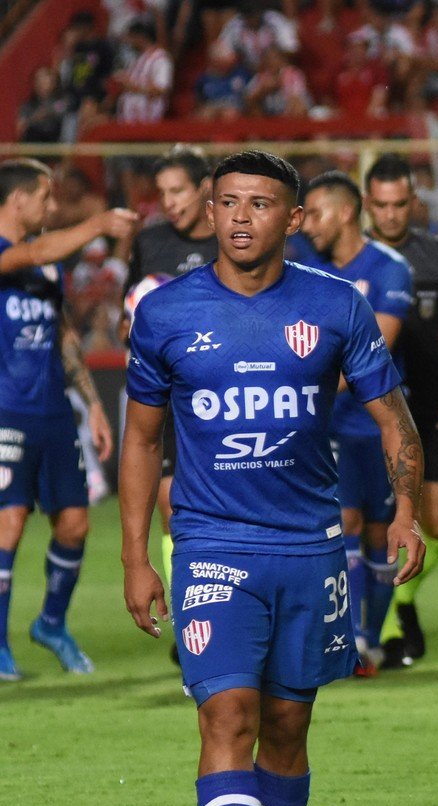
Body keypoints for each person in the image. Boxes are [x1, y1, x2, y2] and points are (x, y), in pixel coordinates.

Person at [120, 149, 424, 806]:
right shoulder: (164, 312)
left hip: (311, 547)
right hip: (213, 544)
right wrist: (136, 557)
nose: (241, 217)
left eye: (260, 204)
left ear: (294, 220)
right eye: (228, 203)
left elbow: (393, 418)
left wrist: (406, 514)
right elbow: (142, 439)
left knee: (287, 727)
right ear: (211, 212)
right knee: (228, 714)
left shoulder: (334, 306)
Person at [0, 160, 139, 681]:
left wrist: (94, 406)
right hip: (5, 410)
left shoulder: (48, 265)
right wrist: (99, 225)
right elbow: (33, 251)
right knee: (8, 523)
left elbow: (62, 337)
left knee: (76, 524)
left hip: (54, 414)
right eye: (44, 198)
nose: (50, 208)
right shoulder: (20, 252)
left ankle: (52, 623)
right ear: (17, 201)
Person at [362, 155, 438, 668]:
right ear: (367, 205)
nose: (390, 215)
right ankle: (386, 627)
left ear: (414, 202)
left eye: (398, 204)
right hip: (371, 414)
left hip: (431, 405)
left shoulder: (436, 255)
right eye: (381, 205)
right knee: (378, 521)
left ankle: (401, 602)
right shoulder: (349, 261)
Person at [300, 170, 415, 674]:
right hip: (330, 430)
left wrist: (307, 389)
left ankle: (370, 636)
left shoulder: (389, 269)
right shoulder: (302, 267)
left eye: (317, 214)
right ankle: (346, 639)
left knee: (379, 534)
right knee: (342, 523)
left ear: (346, 212)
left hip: (378, 425)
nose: (308, 226)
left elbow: (377, 349)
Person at [122, 145, 220, 664]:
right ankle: (190, 627)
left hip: (221, 401)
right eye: (162, 194)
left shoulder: (233, 240)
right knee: (170, 509)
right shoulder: (151, 242)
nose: (169, 202)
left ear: (205, 187)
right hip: (168, 400)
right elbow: (127, 311)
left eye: (178, 190)